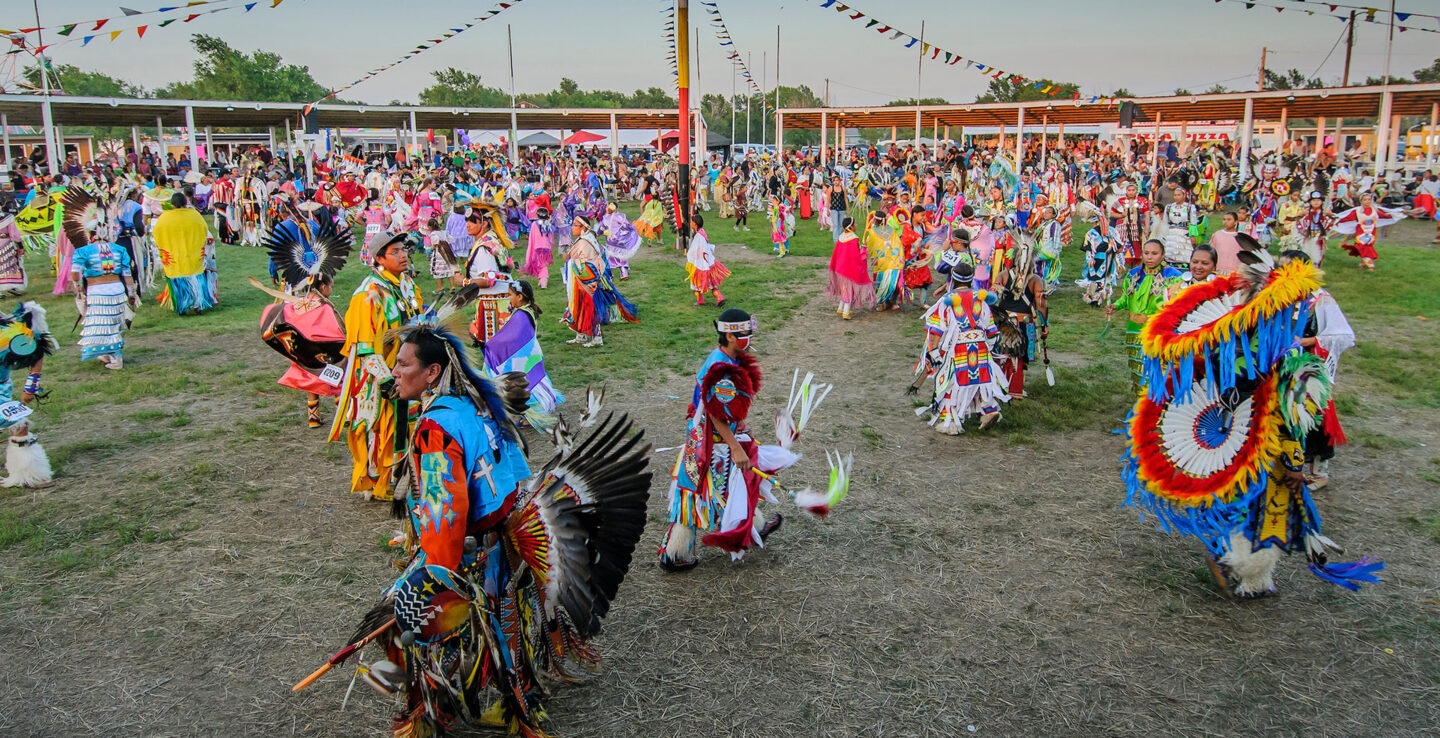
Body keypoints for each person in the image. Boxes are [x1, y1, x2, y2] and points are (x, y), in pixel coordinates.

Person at [332, 317, 650, 737]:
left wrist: (432, 578)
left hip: (465, 549)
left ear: (432, 373)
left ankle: (427, 717)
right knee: (503, 630)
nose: (394, 372)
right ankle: (517, 710)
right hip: (504, 539)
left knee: (412, 626)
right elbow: (515, 470)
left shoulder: (435, 427)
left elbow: (444, 511)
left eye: (404, 364)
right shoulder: (476, 405)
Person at [1122, 244, 1382, 598]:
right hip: (1258, 443)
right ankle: (1244, 569)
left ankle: (1240, 564)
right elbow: (1289, 415)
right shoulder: (1278, 354)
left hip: (1235, 437)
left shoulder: (1234, 341)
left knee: (1237, 497)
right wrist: (1294, 462)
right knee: (1262, 505)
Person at [658, 308, 786, 572]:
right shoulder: (721, 366)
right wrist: (736, 447)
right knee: (697, 493)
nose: (748, 339)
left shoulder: (726, 359)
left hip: (709, 438)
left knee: (726, 486)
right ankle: (673, 554)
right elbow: (717, 414)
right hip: (712, 444)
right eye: (743, 335)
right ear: (728, 334)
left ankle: (756, 526)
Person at [329, 231, 424, 500]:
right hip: (376, 374)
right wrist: (385, 379)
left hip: (405, 368)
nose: (403, 254)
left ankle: (400, 473)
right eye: (395, 252)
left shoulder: (403, 283)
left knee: (406, 422)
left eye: (403, 249)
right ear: (379, 258)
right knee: (378, 426)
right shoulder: (368, 294)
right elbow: (364, 347)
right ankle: (375, 480)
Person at [257, 215, 352, 429]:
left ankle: (313, 418)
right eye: (331, 286)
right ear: (325, 287)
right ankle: (342, 414)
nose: (332, 289)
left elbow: (286, 318)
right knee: (337, 378)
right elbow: (337, 330)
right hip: (324, 354)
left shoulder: (298, 303)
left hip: (303, 354)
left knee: (311, 380)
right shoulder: (325, 306)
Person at [911, 262, 1007, 434]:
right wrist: (991, 346)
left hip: (957, 350)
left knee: (952, 383)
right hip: (980, 348)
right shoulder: (981, 298)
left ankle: (951, 423)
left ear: (953, 279)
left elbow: (937, 329)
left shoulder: (947, 301)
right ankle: (988, 411)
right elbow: (991, 328)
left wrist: (934, 350)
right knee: (979, 380)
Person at [63, 189, 137, 371]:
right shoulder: (118, 249)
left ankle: (116, 358)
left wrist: (79, 289)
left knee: (100, 325)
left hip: (97, 292)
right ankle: (109, 354)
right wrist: (132, 293)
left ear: (89, 233)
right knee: (114, 323)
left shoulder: (84, 251)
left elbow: (76, 272)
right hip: (117, 290)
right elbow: (127, 274)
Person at [480, 279, 564, 431]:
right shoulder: (525, 311)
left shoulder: (521, 315)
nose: (508, 298)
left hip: (524, 356)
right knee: (528, 381)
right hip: (529, 355)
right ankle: (530, 412)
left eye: (510, 294)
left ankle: (529, 414)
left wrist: (492, 345)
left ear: (520, 297)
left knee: (523, 382)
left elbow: (512, 336)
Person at [1107, 239, 1185, 394]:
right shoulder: (1133, 274)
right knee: (1137, 367)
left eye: (1154, 254)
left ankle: (1156, 403)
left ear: (1163, 255)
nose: (1149, 257)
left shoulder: (1174, 277)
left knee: (1156, 368)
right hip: (1134, 330)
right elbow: (1126, 297)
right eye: (1146, 253)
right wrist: (1116, 305)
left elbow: (1176, 306)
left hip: (1157, 332)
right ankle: (1141, 402)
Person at [152, 192, 218, 315]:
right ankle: (198, 305)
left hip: (175, 258)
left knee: (178, 281)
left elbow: (157, 235)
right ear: (185, 203)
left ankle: (182, 306)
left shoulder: (164, 218)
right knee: (196, 278)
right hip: (193, 255)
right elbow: (204, 231)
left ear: (172, 204)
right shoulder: (195, 216)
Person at [462, 204, 515, 344]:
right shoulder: (494, 239)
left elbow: (488, 280)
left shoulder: (484, 248)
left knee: (494, 348)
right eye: (466, 221)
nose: (467, 225)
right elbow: (507, 269)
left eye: (472, 221)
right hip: (503, 301)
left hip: (492, 307)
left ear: (484, 223)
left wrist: (463, 282)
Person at [1332, 192, 1404, 271]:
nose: (1367, 201)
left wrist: (1397, 214)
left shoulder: (1375, 210)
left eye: (1369, 199)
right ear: (1361, 201)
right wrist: (1338, 221)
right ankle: (1370, 265)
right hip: (1361, 232)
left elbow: (1385, 215)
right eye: (1365, 200)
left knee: (1367, 246)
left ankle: (1362, 264)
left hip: (1371, 232)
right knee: (1362, 246)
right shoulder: (1357, 211)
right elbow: (1348, 217)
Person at [825, 216, 875, 320]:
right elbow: (855, 255)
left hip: (840, 268)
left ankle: (841, 308)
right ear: (851, 226)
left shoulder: (841, 237)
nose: (856, 225)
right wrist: (863, 251)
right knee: (848, 290)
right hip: (849, 269)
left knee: (844, 288)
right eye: (855, 224)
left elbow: (838, 253)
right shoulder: (854, 238)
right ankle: (846, 312)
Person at [685, 213, 729, 307]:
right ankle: (719, 298)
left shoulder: (699, 236)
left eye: (692, 222)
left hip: (701, 263)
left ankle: (700, 300)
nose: (691, 223)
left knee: (695, 282)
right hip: (708, 262)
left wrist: (691, 256)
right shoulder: (701, 232)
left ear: (695, 224)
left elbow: (697, 249)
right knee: (711, 283)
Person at [866, 209, 905, 311]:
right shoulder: (892, 230)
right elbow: (898, 244)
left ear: (875, 220)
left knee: (880, 281)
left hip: (881, 262)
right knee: (892, 281)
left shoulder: (872, 232)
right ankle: (890, 302)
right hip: (893, 261)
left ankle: (880, 303)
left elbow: (868, 244)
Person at [1208, 211, 1243, 275]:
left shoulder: (1241, 236)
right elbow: (1211, 251)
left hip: (1235, 270)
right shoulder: (1217, 234)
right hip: (1218, 269)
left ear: (1236, 222)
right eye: (1224, 219)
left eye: (1229, 220)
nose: (1225, 222)